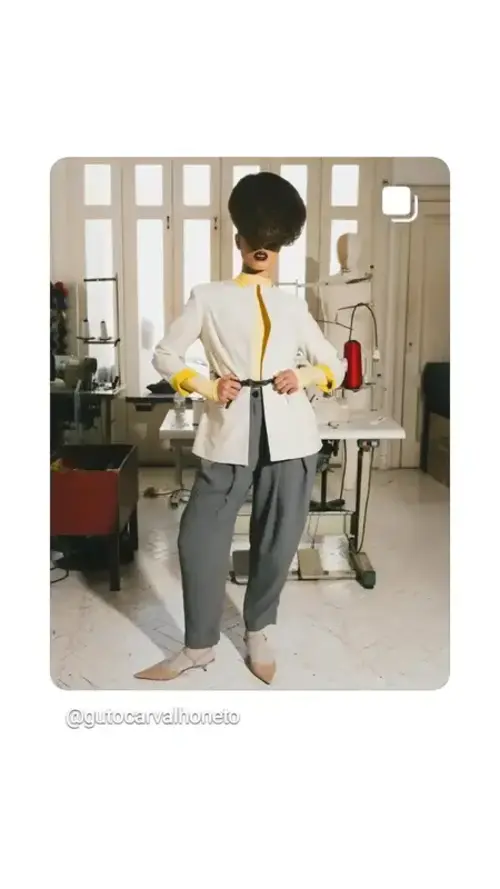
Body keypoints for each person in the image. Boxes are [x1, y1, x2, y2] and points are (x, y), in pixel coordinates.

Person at [135, 172, 345, 684]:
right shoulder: (208, 297)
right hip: (228, 427)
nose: (261, 249)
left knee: (278, 537)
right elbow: (165, 354)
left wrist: (307, 376)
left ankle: (258, 630)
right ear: (239, 240)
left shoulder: (293, 306)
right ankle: (199, 645)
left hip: (291, 434)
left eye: (271, 241)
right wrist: (206, 386)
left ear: (281, 244)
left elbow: (334, 365)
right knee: (199, 537)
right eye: (255, 238)